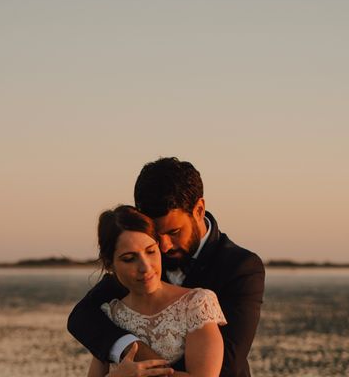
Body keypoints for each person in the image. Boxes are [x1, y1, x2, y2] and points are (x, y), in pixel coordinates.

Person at [68, 157, 265, 377]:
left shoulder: (241, 267)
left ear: (199, 209)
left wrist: (141, 367)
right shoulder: (136, 266)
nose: (164, 246)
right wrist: (126, 347)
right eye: (155, 236)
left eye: (174, 232)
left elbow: (226, 365)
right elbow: (81, 318)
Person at [87, 205, 226, 377]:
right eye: (129, 259)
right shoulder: (111, 315)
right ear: (109, 265)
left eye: (151, 251)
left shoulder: (196, 305)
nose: (145, 267)